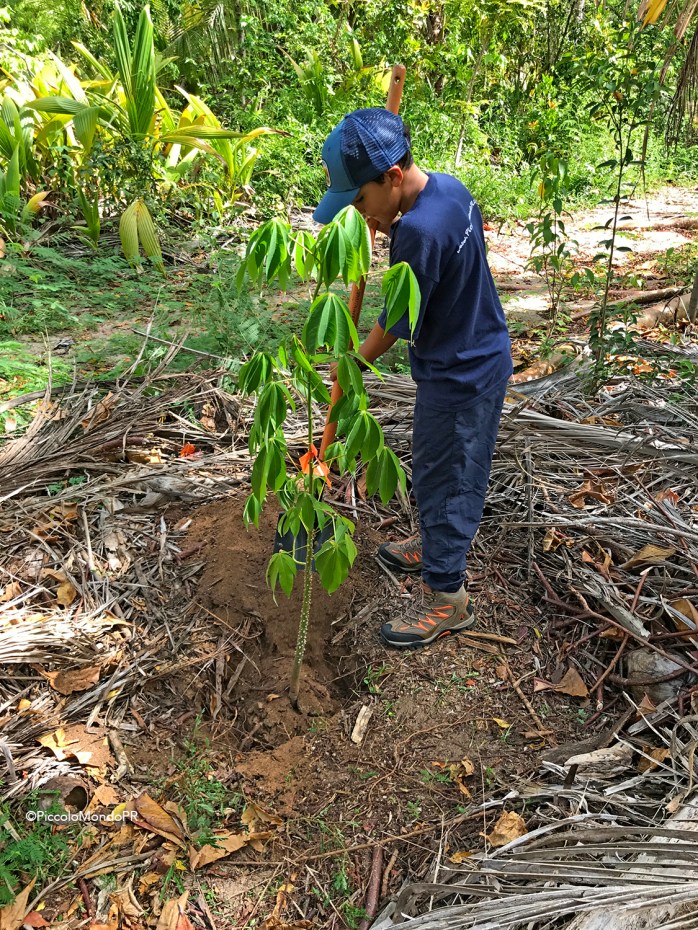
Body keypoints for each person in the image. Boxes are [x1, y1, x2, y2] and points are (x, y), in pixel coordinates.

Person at [314, 108, 512, 649]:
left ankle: (447, 598)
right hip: (479, 351)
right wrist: (385, 223)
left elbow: (395, 325)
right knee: (435, 467)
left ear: (392, 179)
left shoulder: (417, 234)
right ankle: (433, 544)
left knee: (447, 476)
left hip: (461, 375)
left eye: (360, 201)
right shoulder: (448, 190)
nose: (360, 214)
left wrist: (353, 361)